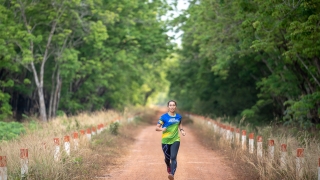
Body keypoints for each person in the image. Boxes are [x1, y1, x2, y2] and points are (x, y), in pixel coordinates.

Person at [156, 100, 186, 180]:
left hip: (175, 139)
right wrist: (162, 129)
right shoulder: (163, 117)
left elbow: (180, 124)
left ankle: (172, 174)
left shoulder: (178, 117)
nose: (172, 107)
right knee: (167, 158)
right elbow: (157, 128)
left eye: (173, 105)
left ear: (175, 106)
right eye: (170, 105)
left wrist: (182, 130)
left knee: (173, 157)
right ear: (168, 107)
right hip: (165, 141)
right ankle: (168, 166)